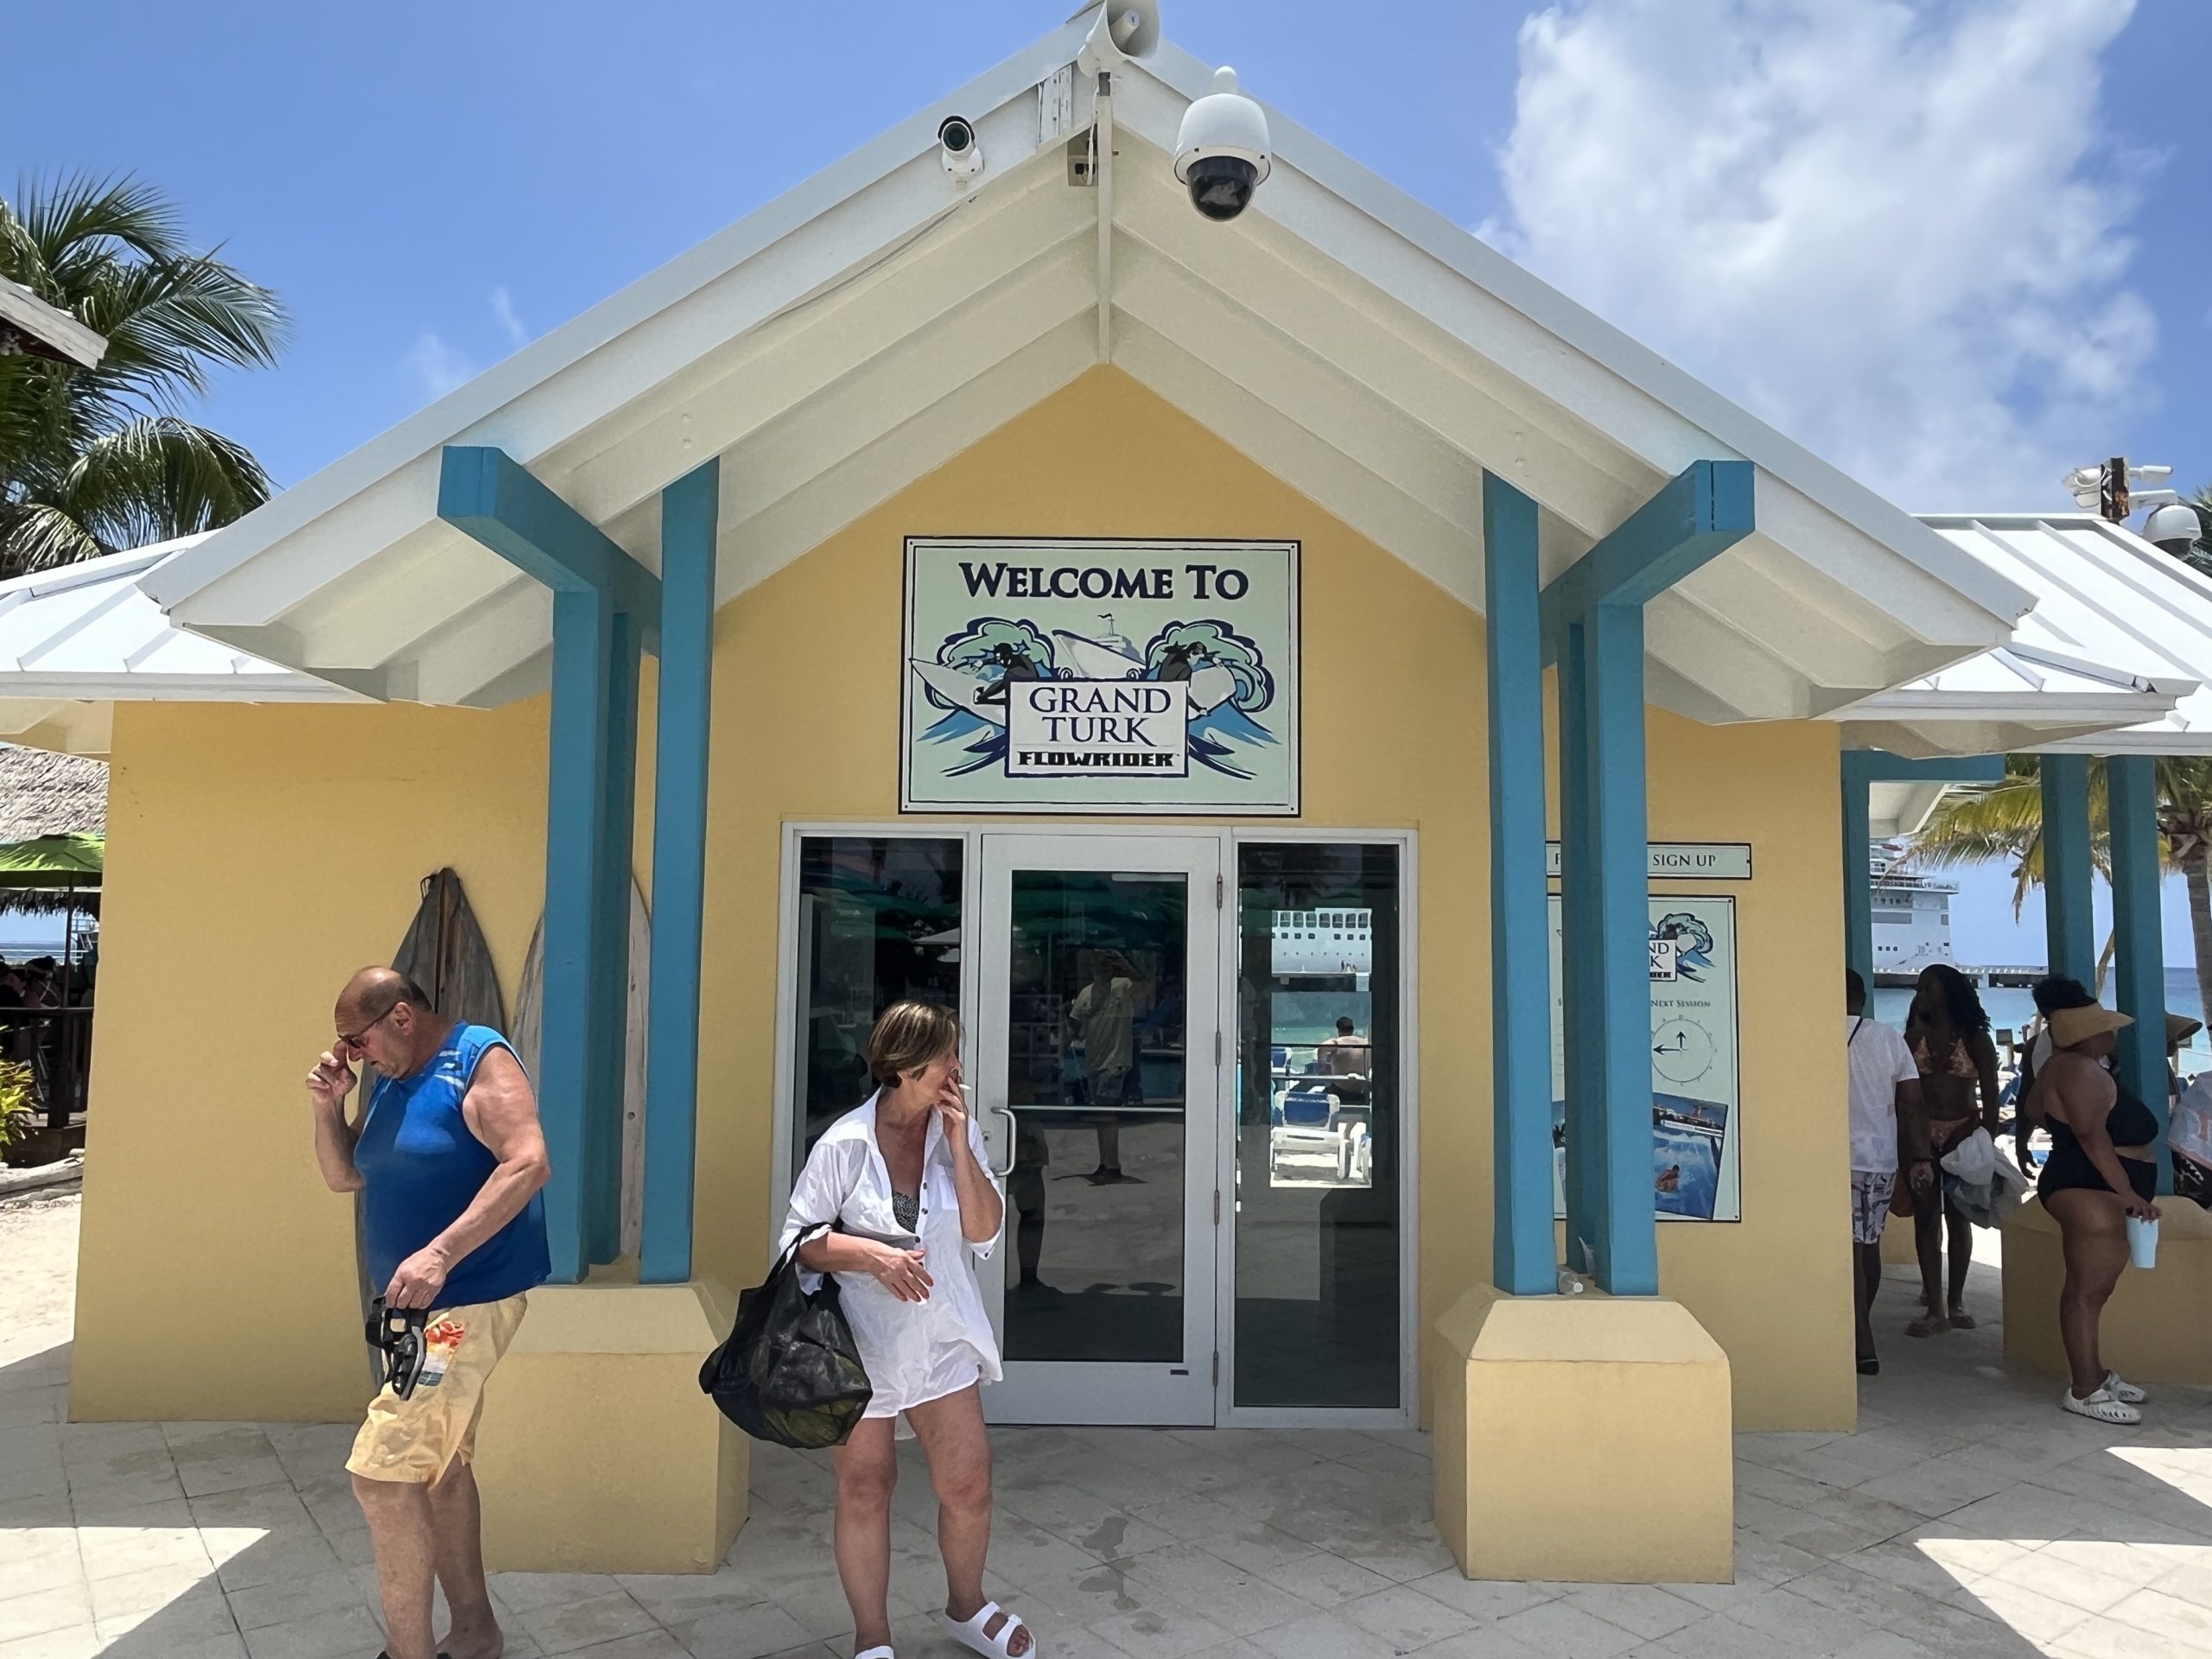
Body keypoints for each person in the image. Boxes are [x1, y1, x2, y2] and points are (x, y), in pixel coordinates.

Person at [305, 968, 551, 1659]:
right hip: (417, 1316)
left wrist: (441, 1253)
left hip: (462, 1306)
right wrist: (330, 1105)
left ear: (403, 1016)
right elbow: (344, 1176)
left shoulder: (479, 1059)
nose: (354, 1054)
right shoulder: (391, 1080)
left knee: (381, 1479)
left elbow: (528, 1161)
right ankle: (475, 1634)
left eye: (359, 1040)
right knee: (439, 1470)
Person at [781, 1000, 1033, 1659]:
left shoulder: (957, 1136)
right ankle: (872, 1638)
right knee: (866, 1488)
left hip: (941, 1340)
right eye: (947, 1056)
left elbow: (984, 1231)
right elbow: (797, 1244)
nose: (957, 1067)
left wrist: (960, 1142)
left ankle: (967, 1606)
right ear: (905, 1067)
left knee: (968, 1482)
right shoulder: (843, 1144)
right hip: (858, 1347)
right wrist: (871, 1255)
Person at [2025, 1001, 2163, 1423]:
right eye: (2107, 1029)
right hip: (2090, 1186)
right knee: (2086, 1291)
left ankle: (2096, 1374)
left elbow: (2033, 1111)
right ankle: (2084, 1389)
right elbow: (2089, 1134)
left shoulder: (2059, 1067)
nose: (2114, 1035)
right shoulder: (2078, 1071)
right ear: (2089, 1036)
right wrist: (2127, 1193)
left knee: (2096, 1288)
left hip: (2090, 1181)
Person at [1901, 963, 2001, 1337]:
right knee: (1926, 1219)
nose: (1921, 996)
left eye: (1928, 989)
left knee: (1958, 1219)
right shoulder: (1912, 1039)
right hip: (1920, 1137)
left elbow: (1991, 1095)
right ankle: (1936, 1304)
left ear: (1949, 992)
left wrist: (1983, 1140)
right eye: (1919, 990)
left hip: (1963, 1133)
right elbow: (1903, 1095)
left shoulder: (1975, 1039)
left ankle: (1956, 1298)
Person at [1845, 969, 1927, 1376]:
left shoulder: (1811, 1033)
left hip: (1830, 1158)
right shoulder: (1889, 1039)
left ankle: (1860, 1337)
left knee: (1850, 1252)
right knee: (1869, 1244)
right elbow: (1911, 1103)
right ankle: (1862, 1324)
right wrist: (1921, 1159)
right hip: (1879, 1158)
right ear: (1862, 998)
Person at [1070, 950, 1142, 1183]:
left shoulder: (1123, 986)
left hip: (1116, 1061)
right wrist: (1059, 1051)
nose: (1104, 971)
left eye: (1107, 967)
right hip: (1095, 1062)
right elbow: (1074, 1024)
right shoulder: (1086, 994)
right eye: (1100, 967)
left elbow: (1145, 988)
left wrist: (1125, 963)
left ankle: (1112, 1165)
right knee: (1102, 1116)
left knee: (1107, 1112)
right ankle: (1106, 1162)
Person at [1318, 1015, 1373, 1103]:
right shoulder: (1364, 1043)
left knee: (1323, 1092)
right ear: (1353, 1029)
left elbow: (1322, 1049)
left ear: (1338, 1030)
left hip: (1340, 1091)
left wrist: (1322, 1067)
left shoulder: (1337, 1042)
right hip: (1360, 1091)